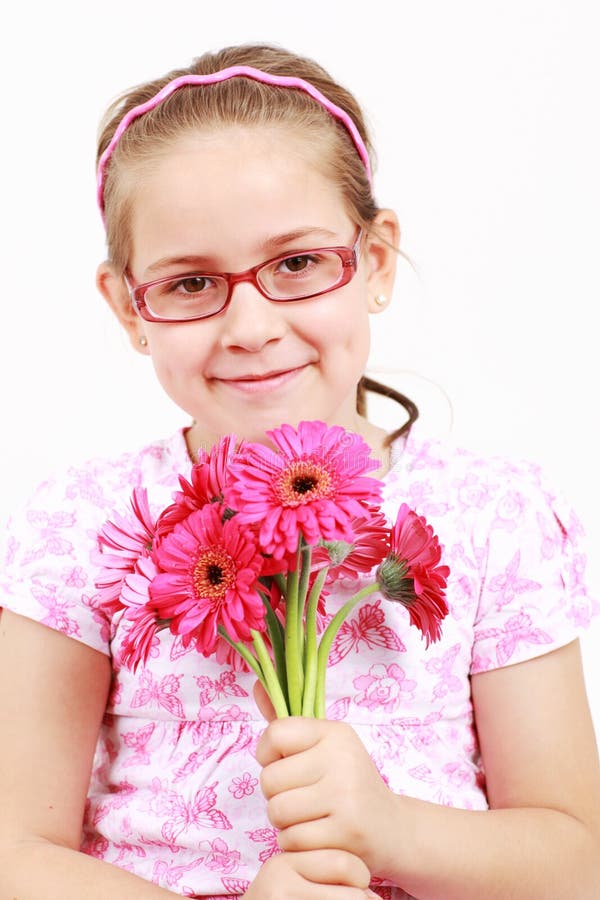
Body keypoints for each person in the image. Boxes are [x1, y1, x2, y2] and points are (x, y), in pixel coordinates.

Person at [0, 42, 599, 900]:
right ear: (130, 307)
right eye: (190, 281)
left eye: (297, 264)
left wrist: (391, 828)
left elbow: (576, 863)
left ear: (377, 260)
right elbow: (14, 853)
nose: (249, 325)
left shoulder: (495, 515)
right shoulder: (82, 524)